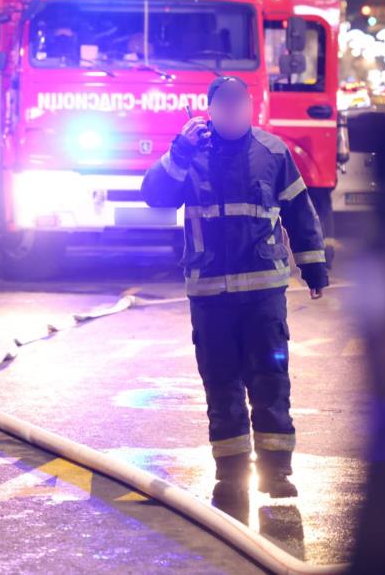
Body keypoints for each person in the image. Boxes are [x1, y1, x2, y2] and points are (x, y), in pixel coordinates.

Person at [141, 76, 329, 513]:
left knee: (270, 379)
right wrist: (178, 153)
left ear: (250, 107)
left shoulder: (273, 152)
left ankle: (276, 471)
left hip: (263, 292)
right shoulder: (191, 154)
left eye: (239, 104)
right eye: (224, 106)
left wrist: (314, 266)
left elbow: (299, 211)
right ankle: (230, 475)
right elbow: (154, 196)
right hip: (210, 295)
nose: (233, 112)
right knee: (221, 384)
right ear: (210, 111)